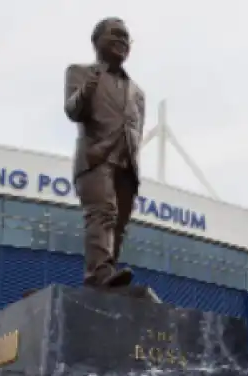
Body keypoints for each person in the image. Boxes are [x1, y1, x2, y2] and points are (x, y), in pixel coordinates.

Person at [64, 17, 147, 288]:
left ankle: (108, 275)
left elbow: (136, 127)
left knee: (119, 224)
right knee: (103, 213)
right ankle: (98, 273)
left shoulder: (137, 92)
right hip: (95, 157)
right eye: (117, 35)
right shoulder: (79, 71)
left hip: (127, 163)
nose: (123, 41)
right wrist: (89, 84)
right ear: (97, 40)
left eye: (127, 38)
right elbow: (73, 110)